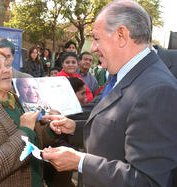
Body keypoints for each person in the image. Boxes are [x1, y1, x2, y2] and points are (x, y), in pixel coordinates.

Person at [42, 1, 177, 186]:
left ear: (121, 35)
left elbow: (148, 181)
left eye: (97, 39)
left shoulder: (157, 90)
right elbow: (116, 125)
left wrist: (80, 162)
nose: (93, 48)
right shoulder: (128, 74)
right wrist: (74, 127)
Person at [0, 47, 64, 187]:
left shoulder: (18, 100)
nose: (6, 70)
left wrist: (51, 129)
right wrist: (25, 130)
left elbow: (34, 141)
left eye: (7, 65)